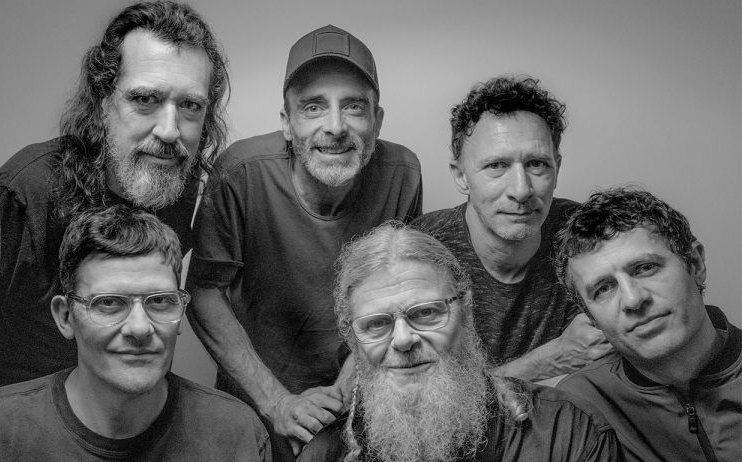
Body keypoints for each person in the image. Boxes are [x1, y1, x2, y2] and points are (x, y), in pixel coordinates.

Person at [187, 24, 422, 459]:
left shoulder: (402, 173)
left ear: (377, 121)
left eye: (353, 106)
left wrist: (341, 396)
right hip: (257, 397)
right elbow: (203, 292)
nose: (335, 126)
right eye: (313, 107)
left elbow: (394, 296)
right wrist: (277, 402)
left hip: (362, 394)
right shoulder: (240, 173)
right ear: (286, 122)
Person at [0, 0, 229, 397]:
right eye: (144, 99)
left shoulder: (174, 177)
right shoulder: (24, 193)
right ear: (103, 101)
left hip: (130, 416)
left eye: (190, 106)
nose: (169, 130)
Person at [297, 222, 622, 461]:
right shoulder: (325, 454)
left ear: (465, 309)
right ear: (351, 336)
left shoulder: (568, 432)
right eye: (377, 324)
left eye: (425, 313)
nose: (403, 340)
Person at [0, 206, 269, 461]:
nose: (139, 328)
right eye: (109, 303)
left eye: (160, 301)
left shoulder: (236, 435)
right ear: (66, 317)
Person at [412, 75, 611, 382]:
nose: (521, 190)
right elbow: (417, 391)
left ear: (557, 168)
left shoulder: (587, 234)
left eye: (537, 164)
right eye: (496, 166)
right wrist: (543, 363)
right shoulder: (421, 249)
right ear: (461, 176)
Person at [555, 187, 742, 461]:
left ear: (695, 264)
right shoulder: (578, 407)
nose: (633, 299)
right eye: (604, 288)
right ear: (590, 316)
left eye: (645, 268)